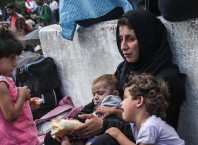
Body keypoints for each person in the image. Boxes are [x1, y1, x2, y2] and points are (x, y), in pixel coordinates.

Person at [45, 9, 186, 145]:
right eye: (121, 39)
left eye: (131, 39)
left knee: (104, 142)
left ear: (147, 39)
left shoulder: (168, 79)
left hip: (137, 138)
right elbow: (104, 97)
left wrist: (105, 125)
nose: (123, 46)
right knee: (53, 137)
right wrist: (77, 120)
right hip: (113, 125)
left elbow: (149, 126)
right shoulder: (124, 68)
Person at [0, 23, 39, 145]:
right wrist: (22, 94)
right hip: (17, 139)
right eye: (11, 58)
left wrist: (25, 103)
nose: (15, 63)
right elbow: (11, 115)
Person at [106, 73, 185, 145]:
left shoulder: (150, 125)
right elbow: (123, 115)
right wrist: (113, 111)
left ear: (139, 101)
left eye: (125, 98)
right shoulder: (136, 123)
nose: (121, 103)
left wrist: (118, 135)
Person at [60, 74, 122, 145]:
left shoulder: (113, 100)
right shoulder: (100, 102)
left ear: (115, 93)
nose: (95, 97)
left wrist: (83, 124)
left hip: (106, 130)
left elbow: (98, 116)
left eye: (100, 93)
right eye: (94, 94)